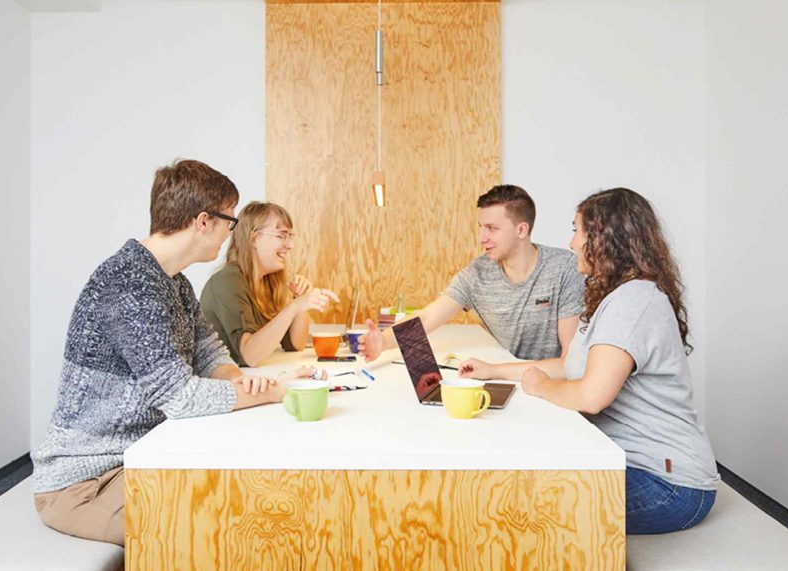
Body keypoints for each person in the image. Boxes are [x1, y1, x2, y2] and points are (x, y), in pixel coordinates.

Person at [30, 160, 316, 546]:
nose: (230, 233)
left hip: (143, 453)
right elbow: (180, 397)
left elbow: (209, 352)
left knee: (247, 497)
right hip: (87, 481)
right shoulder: (129, 285)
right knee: (214, 529)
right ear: (203, 221)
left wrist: (247, 382)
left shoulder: (174, 282)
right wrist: (275, 391)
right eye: (230, 220)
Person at [460, 187, 719, 534]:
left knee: (523, 510)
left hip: (670, 484)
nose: (571, 244)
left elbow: (591, 396)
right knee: (519, 485)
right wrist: (493, 370)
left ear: (604, 239)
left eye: (577, 231)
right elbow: (571, 365)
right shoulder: (617, 296)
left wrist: (542, 387)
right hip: (634, 464)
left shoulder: (632, 302)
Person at [360, 184, 585, 362]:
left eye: (492, 228)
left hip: (553, 387)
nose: (481, 238)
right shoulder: (477, 274)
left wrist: (499, 372)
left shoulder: (564, 268)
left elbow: (569, 362)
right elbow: (428, 317)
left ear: (521, 230)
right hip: (509, 380)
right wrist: (383, 341)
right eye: (481, 227)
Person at [200, 201, 339, 367]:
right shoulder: (227, 282)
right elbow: (250, 356)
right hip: (224, 380)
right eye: (281, 236)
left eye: (290, 236)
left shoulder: (268, 282)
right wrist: (293, 307)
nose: (290, 246)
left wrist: (300, 301)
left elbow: (296, 345)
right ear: (254, 239)